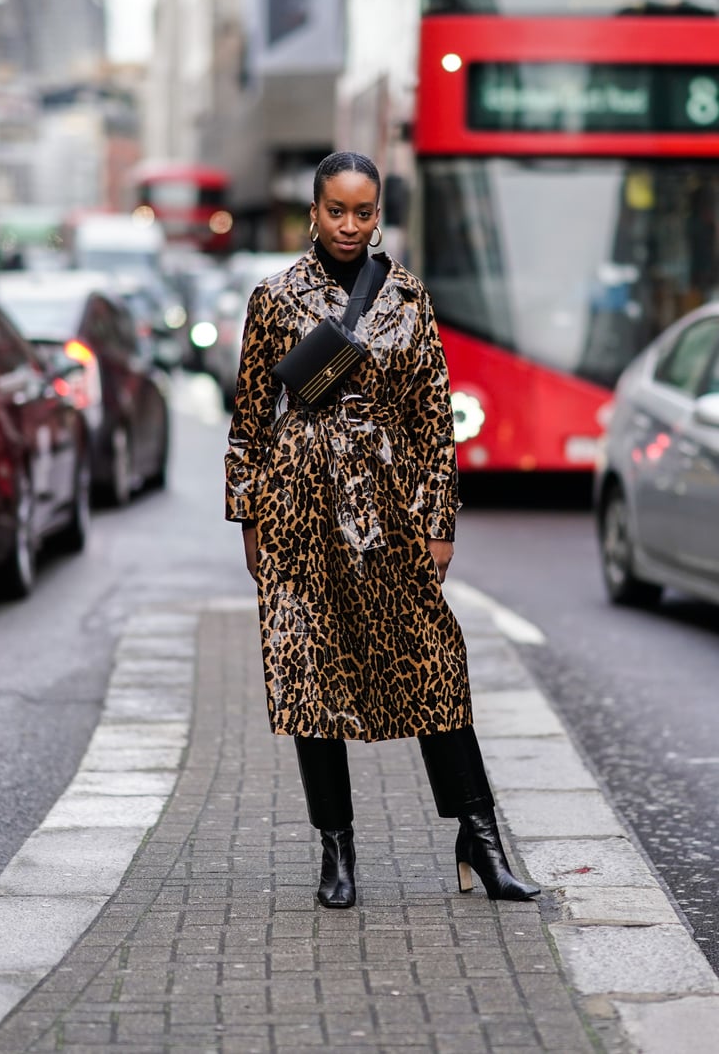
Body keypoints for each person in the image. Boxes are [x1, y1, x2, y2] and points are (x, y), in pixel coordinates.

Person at [225, 151, 539, 909]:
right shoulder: (275, 298)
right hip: (298, 510)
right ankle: (337, 852)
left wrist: (438, 522)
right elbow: (248, 426)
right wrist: (249, 519)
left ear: (377, 215)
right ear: (313, 210)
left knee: (435, 666)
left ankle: (480, 839)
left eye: (364, 212)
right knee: (312, 679)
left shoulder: (407, 297)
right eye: (337, 209)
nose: (350, 224)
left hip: (389, 512)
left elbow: (435, 421)